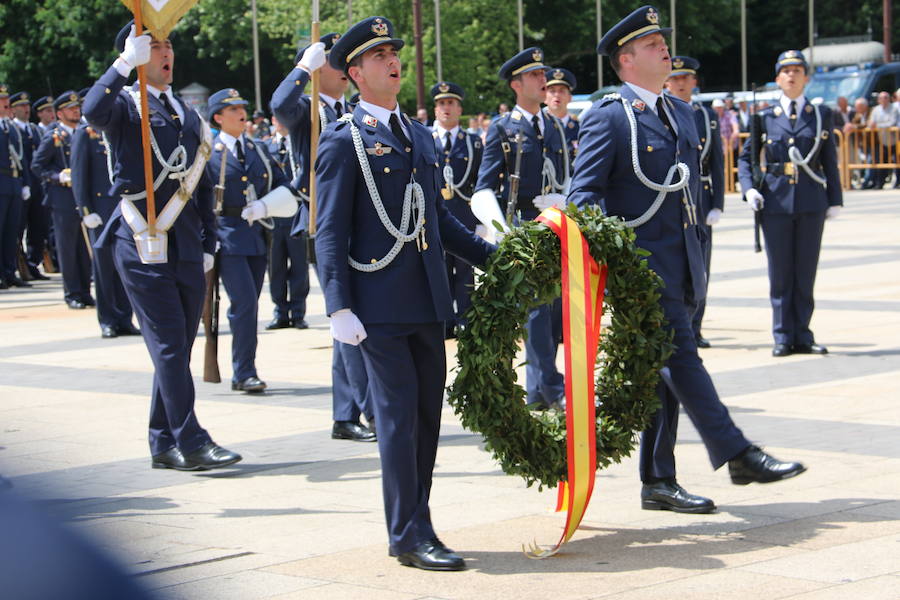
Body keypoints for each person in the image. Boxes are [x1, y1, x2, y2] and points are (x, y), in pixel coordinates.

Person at [569, 6, 807, 515]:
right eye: (652, 44)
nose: (664, 49)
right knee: (681, 356)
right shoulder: (609, 117)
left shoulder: (680, 113)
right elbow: (583, 197)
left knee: (664, 374)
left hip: (686, 264)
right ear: (627, 60)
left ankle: (658, 479)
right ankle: (737, 453)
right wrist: (619, 265)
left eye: (662, 41)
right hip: (640, 271)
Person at [316, 16, 494, 571]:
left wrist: (499, 257)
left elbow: (438, 219)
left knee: (426, 418)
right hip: (376, 302)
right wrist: (338, 304)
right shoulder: (344, 141)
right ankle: (411, 533)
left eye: (394, 52)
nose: (393, 61)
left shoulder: (415, 134)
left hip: (426, 299)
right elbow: (328, 228)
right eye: (378, 56)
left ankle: (414, 525)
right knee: (395, 419)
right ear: (355, 73)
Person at [82, 21, 243, 470]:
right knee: (170, 343)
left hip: (187, 239)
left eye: (168, 44)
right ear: (134, 54)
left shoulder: (184, 112)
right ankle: (191, 440)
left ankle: (162, 442)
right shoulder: (126, 108)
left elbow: (200, 178)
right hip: (140, 239)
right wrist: (121, 66)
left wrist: (211, 237)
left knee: (177, 345)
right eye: (153, 46)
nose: (165, 52)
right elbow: (92, 109)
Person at [271, 33, 376, 442]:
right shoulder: (306, 110)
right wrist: (302, 70)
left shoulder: (350, 110)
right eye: (334, 61)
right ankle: (363, 411)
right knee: (345, 313)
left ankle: (346, 414)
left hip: (357, 222)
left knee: (347, 319)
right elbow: (278, 105)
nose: (343, 68)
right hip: (321, 223)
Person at [471, 46, 570, 411]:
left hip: (556, 226)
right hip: (520, 229)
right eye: (534, 76)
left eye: (543, 74)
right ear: (516, 84)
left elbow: (567, 177)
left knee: (552, 314)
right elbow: (483, 185)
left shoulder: (555, 125)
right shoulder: (503, 128)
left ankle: (537, 393)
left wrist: (563, 199)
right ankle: (554, 386)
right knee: (535, 312)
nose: (543, 80)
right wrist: (501, 229)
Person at [738, 50, 843, 357]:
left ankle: (804, 334)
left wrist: (835, 198)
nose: (792, 75)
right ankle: (783, 335)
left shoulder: (820, 115)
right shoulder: (765, 117)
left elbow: (829, 160)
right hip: (775, 203)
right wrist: (748, 190)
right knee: (781, 273)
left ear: (806, 78)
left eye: (798, 70)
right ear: (777, 79)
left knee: (806, 272)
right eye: (786, 71)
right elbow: (746, 159)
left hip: (811, 201)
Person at [205, 88, 294, 394]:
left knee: (251, 305)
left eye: (242, 107)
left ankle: (244, 369)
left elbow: (283, 184)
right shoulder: (208, 153)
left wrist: (266, 207)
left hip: (256, 235)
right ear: (218, 117)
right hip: (225, 237)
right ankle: (244, 372)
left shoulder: (258, 149)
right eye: (233, 109)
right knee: (243, 305)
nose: (241, 113)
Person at [665, 56, 724, 348]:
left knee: (701, 265)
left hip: (700, 196)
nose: (680, 83)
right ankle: (680, 324)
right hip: (671, 195)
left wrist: (718, 203)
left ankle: (696, 327)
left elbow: (717, 160)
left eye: (685, 78)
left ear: (694, 82)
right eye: (675, 79)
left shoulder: (705, 115)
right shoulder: (661, 111)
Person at [70, 110, 139, 337]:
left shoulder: (118, 130)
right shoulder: (85, 134)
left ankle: (125, 318)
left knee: (125, 264)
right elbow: (79, 174)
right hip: (99, 210)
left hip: (122, 208)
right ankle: (107, 319)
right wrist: (85, 210)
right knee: (103, 268)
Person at [430, 81, 483, 338]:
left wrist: (481, 219)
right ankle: (444, 321)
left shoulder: (473, 143)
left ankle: (465, 319)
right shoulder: (424, 139)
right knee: (438, 270)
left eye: (451, 103)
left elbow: (481, 181)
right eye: (441, 104)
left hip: (463, 214)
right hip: (434, 217)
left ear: (460, 109)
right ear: (435, 109)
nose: (446, 108)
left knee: (465, 270)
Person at [31, 92, 94, 305]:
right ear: (60, 113)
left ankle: (85, 292)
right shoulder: (54, 136)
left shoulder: (84, 133)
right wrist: (57, 176)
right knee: (67, 248)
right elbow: (37, 165)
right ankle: (72, 294)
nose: (76, 110)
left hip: (83, 197)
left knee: (84, 248)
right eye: (70, 108)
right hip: (63, 198)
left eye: (77, 107)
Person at [264, 114, 310, 333]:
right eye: (278, 118)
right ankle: (280, 312)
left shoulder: (299, 146)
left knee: (299, 266)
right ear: (273, 120)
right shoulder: (265, 147)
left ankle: (298, 312)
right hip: (274, 215)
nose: (282, 122)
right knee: (276, 267)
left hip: (296, 214)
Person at [10, 92, 51, 281]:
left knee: (39, 226)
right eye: (20, 106)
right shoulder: (12, 130)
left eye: (26, 105)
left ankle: (33, 263)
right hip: (21, 183)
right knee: (18, 227)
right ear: (13, 109)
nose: (25, 109)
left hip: (38, 184)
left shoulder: (35, 130)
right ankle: (17, 264)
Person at [0, 85, 31, 289]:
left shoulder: (11, 128)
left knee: (12, 231)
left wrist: (25, 182)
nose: (6, 104)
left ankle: (9, 271)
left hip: (13, 183)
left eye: (6, 100)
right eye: (3, 101)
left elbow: (22, 159)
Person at [544, 67, 579, 163]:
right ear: (544, 98)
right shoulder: (540, 127)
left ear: (570, 98)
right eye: (552, 91)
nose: (557, 95)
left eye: (562, 91)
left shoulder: (580, 127)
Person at [865, 91, 899, 188]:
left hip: (894, 140)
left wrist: (878, 125)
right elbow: (871, 123)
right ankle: (880, 183)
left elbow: (892, 123)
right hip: (881, 140)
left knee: (897, 162)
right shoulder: (876, 110)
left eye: (886, 98)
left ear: (889, 99)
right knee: (881, 162)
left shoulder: (894, 109)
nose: (883, 100)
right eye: (881, 98)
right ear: (878, 100)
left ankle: (898, 182)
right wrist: (873, 125)